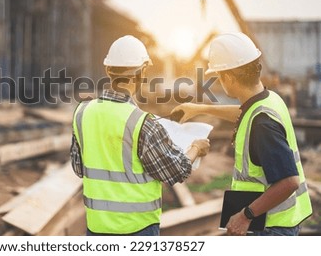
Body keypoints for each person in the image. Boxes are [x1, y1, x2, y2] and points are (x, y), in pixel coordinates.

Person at [171, 32, 312, 236]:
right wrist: (199, 108)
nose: (219, 80)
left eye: (219, 76)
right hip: (276, 222)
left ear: (228, 77)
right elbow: (244, 113)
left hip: (270, 228)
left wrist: (245, 215)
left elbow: (289, 182)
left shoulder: (262, 124)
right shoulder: (270, 100)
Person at [70, 35, 210, 236]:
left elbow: (78, 167)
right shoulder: (142, 123)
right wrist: (196, 147)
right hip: (137, 230)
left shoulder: (82, 113)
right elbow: (176, 170)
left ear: (108, 70)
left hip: (96, 229)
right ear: (142, 72)